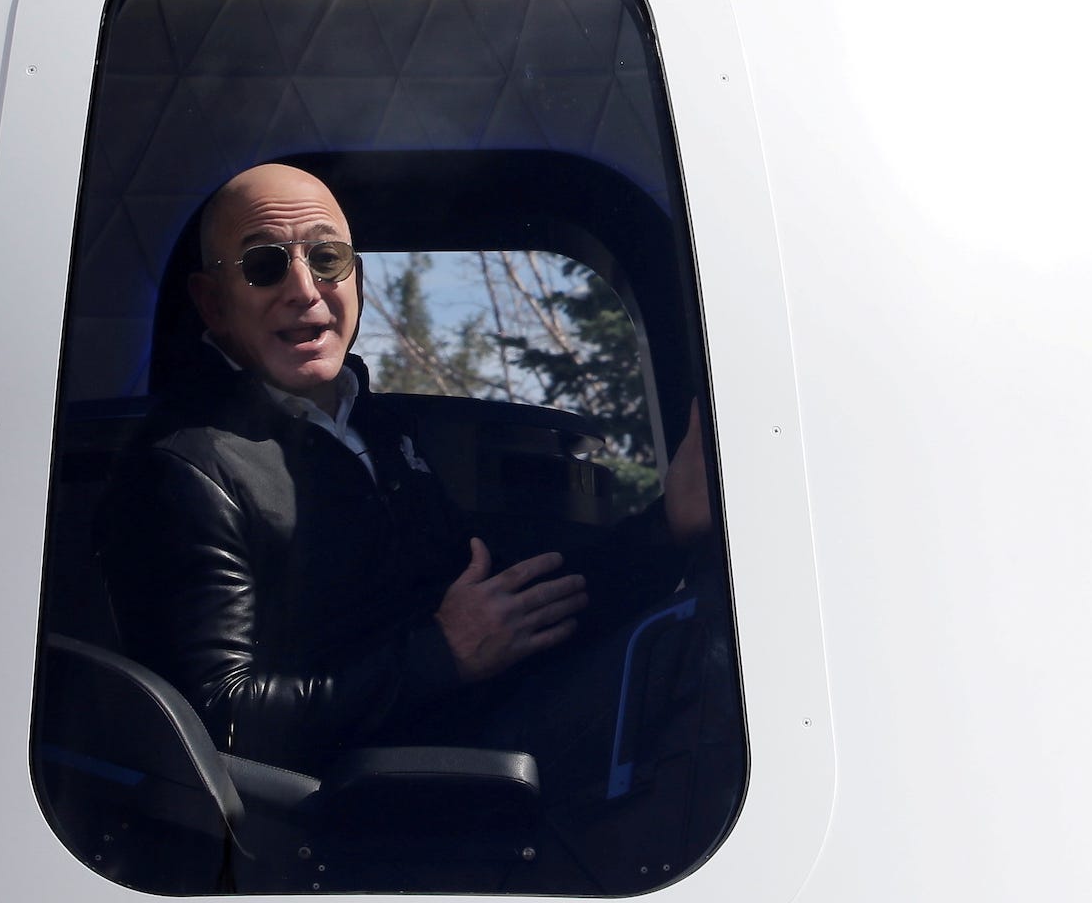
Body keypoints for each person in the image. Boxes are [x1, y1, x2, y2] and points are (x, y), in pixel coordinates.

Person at [96, 162, 710, 782]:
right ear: (213, 303)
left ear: (356, 278)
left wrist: (667, 528)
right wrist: (441, 656)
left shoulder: (377, 429)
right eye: (265, 266)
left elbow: (512, 611)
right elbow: (212, 721)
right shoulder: (186, 469)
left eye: (328, 259)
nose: (305, 290)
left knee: (695, 642)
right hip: (362, 808)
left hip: (471, 744)